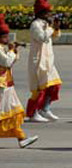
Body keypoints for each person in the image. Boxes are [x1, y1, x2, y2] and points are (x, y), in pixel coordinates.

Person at [0, 14, 38, 148]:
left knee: (13, 112)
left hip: (7, 84)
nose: (7, 39)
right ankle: (21, 138)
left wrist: (14, 51)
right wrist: (11, 51)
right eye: (4, 36)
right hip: (1, 86)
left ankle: (21, 138)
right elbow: (6, 62)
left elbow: (11, 61)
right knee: (5, 113)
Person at [27, 0, 62, 122]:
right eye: (48, 13)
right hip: (38, 62)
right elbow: (42, 37)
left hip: (48, 62)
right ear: (41, 13)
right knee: (39, 89)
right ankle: (33, 113)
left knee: (54, 85)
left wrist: (56, 28)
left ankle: (45, 109)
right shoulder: (35, 25)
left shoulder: (46, 24)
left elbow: (55, 37)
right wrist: (51, 28)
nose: (50, 15)